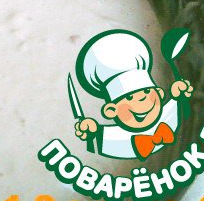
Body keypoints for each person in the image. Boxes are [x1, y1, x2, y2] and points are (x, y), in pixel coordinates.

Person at [73, 30, 193, 160]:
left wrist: (179, 94)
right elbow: (96, 141)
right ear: (111, 110)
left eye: (146, 92)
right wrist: (91, 132)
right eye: (130, 97)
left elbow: (182, 109)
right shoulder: (115, 139)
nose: (142, 100)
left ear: (159, 93)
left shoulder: (168, 116)